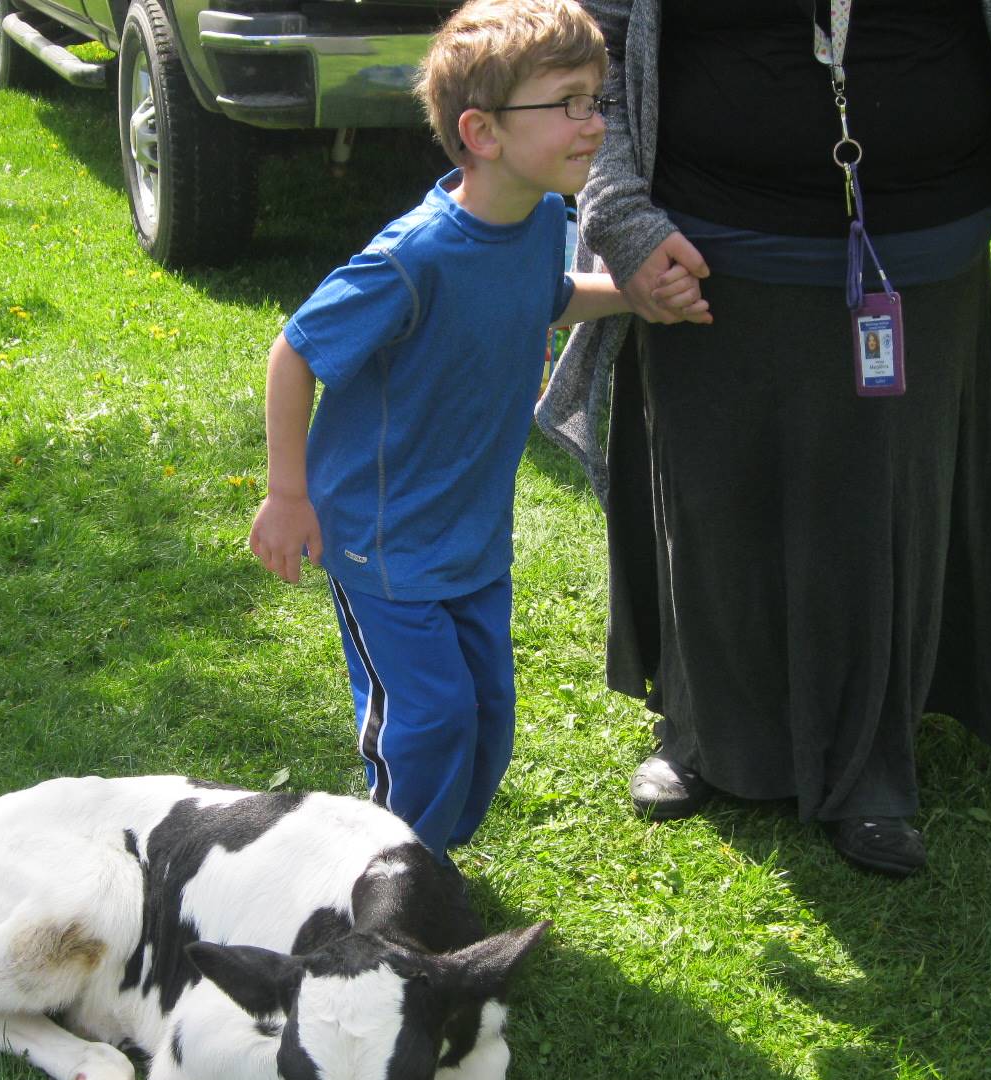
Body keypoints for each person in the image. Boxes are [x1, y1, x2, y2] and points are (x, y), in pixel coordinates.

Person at [540, 0, 991, 876]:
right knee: (713, 499)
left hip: (923, 235)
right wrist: (621, 218)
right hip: (709, 243)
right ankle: (705, 730)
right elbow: (593, 39)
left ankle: (872, 764)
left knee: (883, 505)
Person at [248, 0, 703, 860]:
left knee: (488, 717)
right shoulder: (414, 257)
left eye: (596, 98)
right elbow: (295, 351)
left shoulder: (537, 223)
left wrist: (636, 298)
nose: (594, 122)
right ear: (482, 132)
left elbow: (550, 297)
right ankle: (384, 877)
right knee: (428, 720)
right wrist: (285, 495)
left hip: (470, 540)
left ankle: (432, 862)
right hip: (382, 543)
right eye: (568, 102)